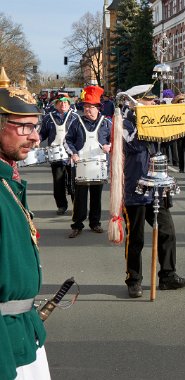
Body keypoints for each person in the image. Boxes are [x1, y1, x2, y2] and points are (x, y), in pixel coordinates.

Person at [0, 67, 51, 379]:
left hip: (22, 334)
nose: (35, 137)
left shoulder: (9, 180)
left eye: (36, 127)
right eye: (25, 128)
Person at [121, 91, 185, 298]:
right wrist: (145, 120)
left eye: (153, 100)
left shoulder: (155, 120)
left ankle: (168, 275)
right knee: (136, 238)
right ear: (135, 102)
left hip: (157, 188)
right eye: (148, 100)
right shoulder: (124, 123)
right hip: (135, 188)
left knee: (167, 232)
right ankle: (133, 280)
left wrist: (183, 108)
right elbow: (131, 144)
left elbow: (179, 131)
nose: (153, 103)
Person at [64, 86, 111, 238]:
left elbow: (115, 141)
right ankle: (77, 224)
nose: (87, 110)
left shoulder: (106, 123)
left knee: (96, 196)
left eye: (90, 107)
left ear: (98, 108)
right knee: (79, 197)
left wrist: (109, 146)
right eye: (85, 107)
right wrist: (73, 154)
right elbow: (67, 140)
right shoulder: (76, 122)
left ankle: (95, 223)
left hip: (99, 165)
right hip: (80, 165)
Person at [39, 95, 78, 214]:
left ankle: (76, 205)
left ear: (69, 104)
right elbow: (43, 134)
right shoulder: (48, 118)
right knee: (58, 182)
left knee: (74, 182)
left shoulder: (75, 117)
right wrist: (37, 139)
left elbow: (80, 136)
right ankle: (61, 205)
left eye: (66, 102)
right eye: (60, 103)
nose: (63, 104)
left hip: (71, 154)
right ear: (55, 104)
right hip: (55, 155)